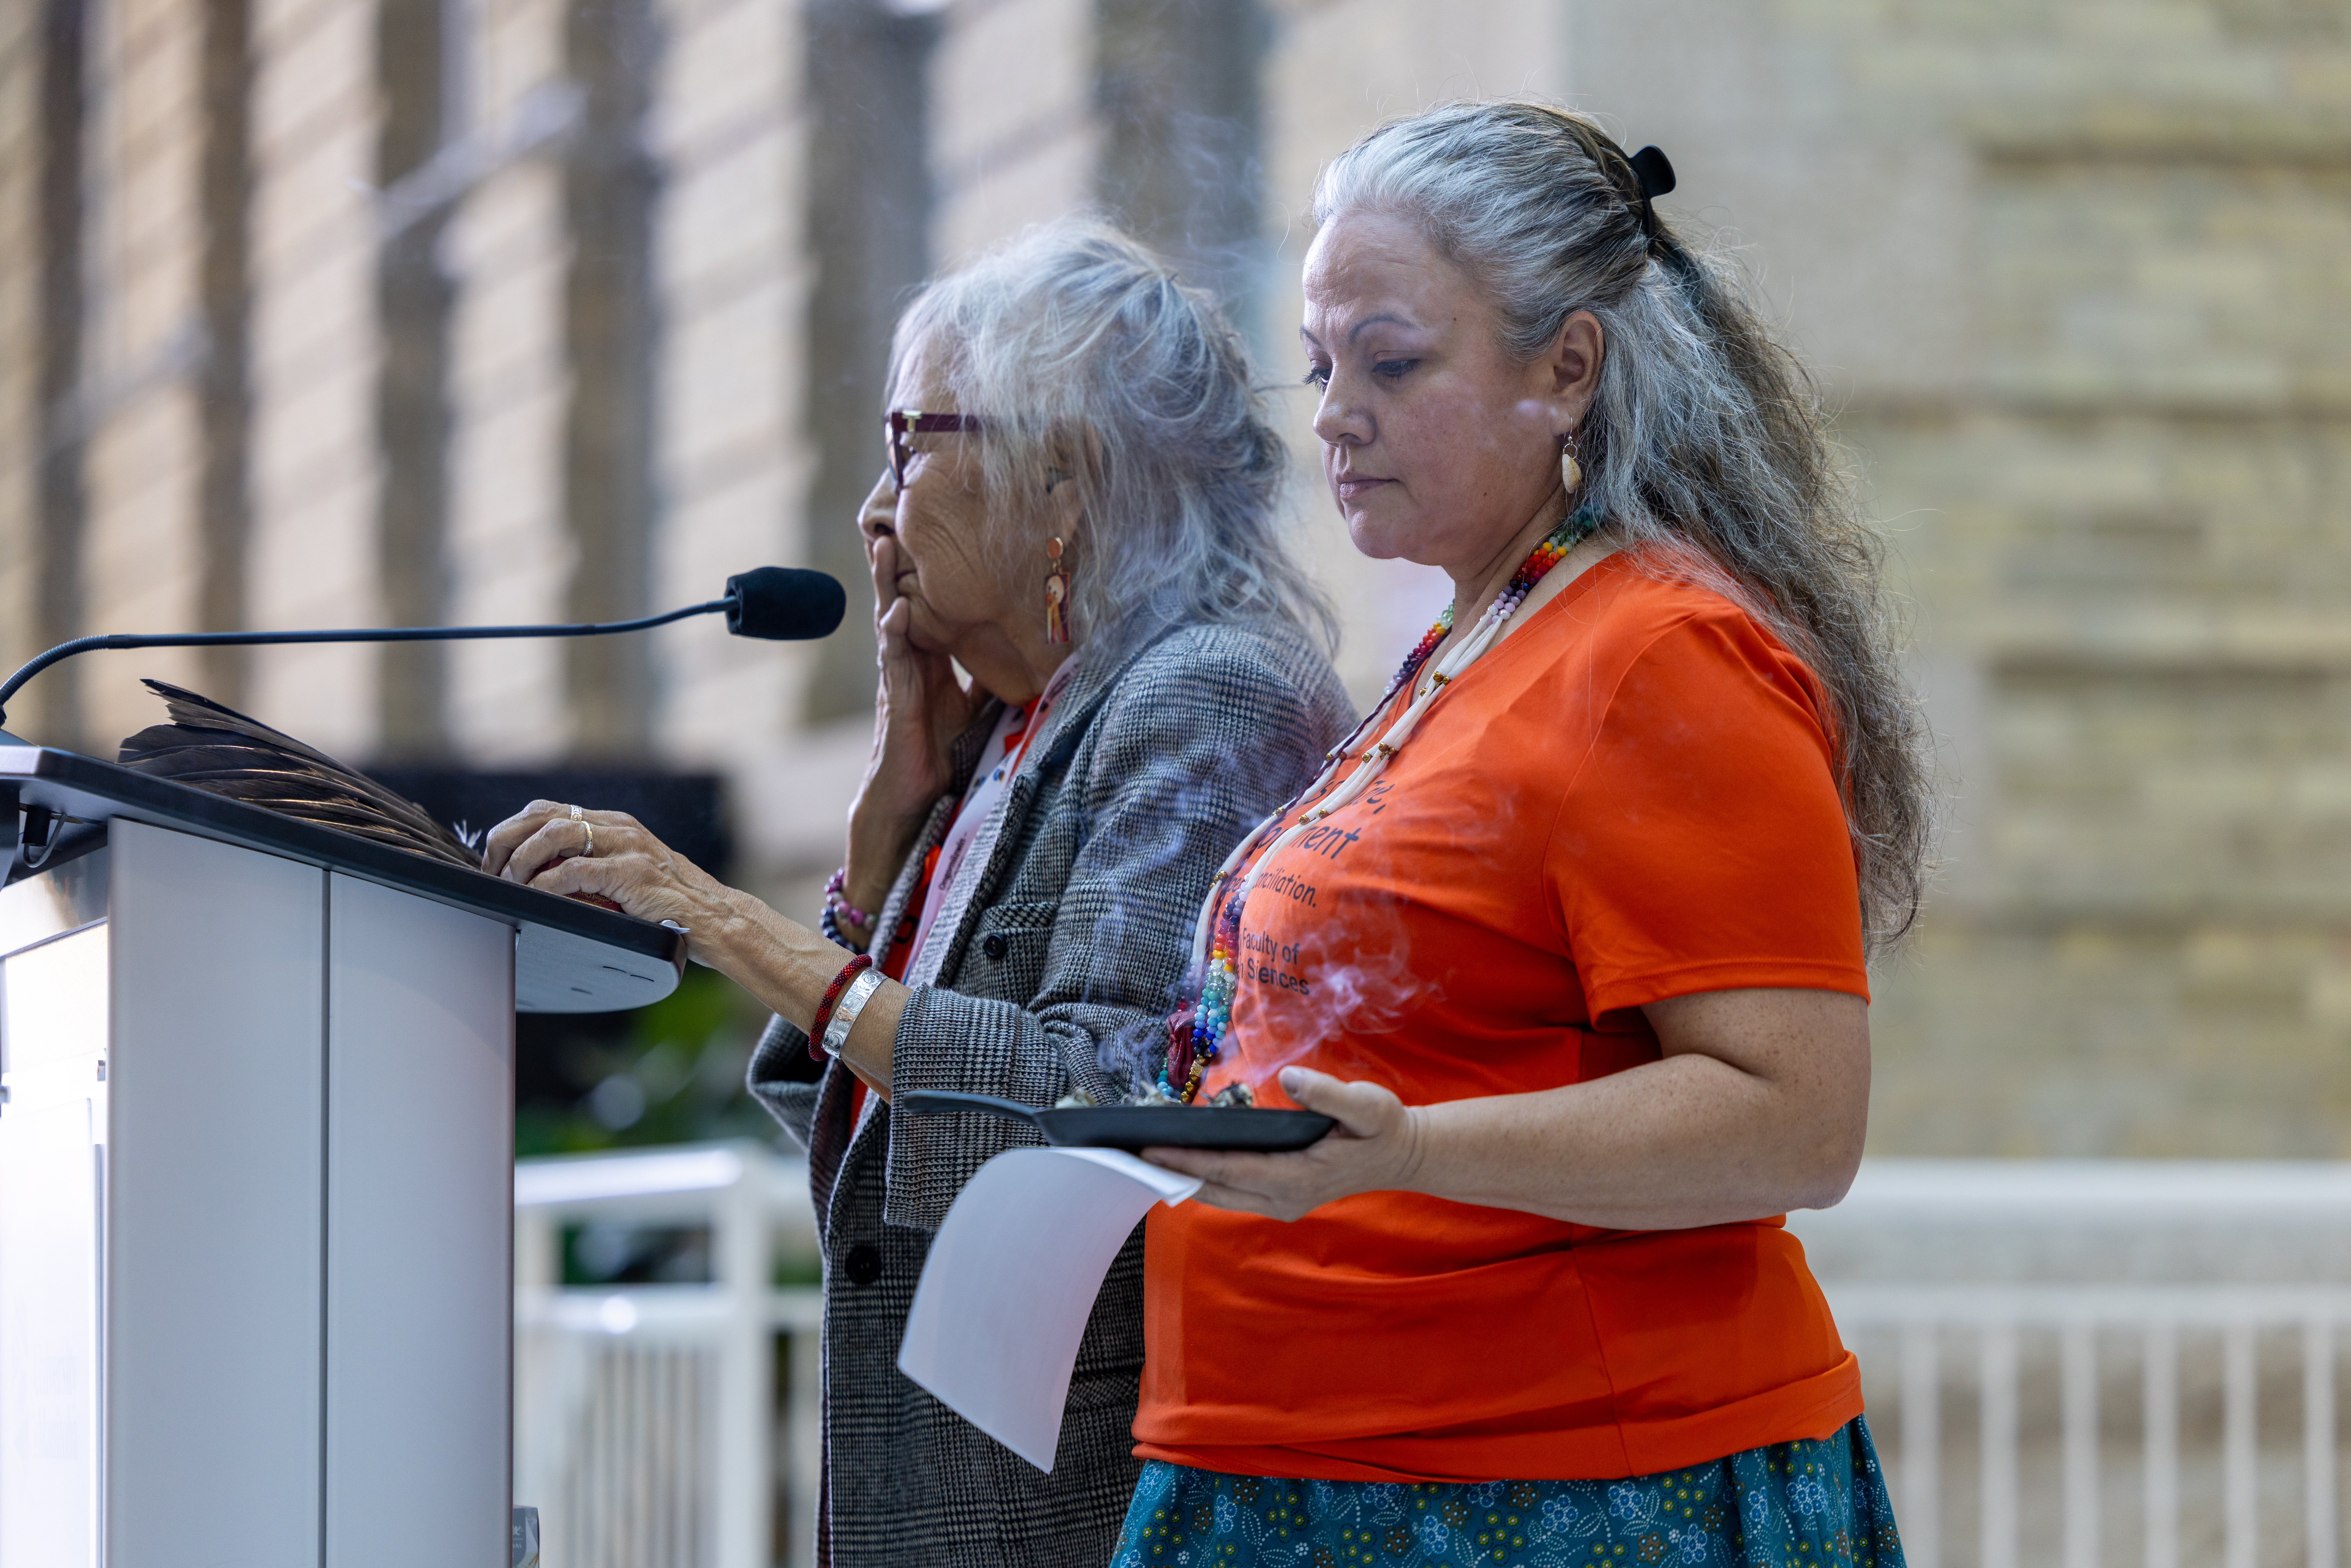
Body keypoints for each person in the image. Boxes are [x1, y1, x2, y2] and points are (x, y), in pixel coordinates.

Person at [1114, 102, 1932, 1568]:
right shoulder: (1480, 635)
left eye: (1393, 359)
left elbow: (1797, 1119)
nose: (1333, 414)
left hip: (1551, 1491)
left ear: (1568, 370)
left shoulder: (1659, 655)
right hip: (1331, 1463)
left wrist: (1408, 1151)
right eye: (1319, 365)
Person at [482, 221, 1353, 1568]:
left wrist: (723, 918)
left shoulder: (1202, 692)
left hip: (1072, 1506)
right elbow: (847, 1130)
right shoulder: (1007, 726)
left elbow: (1093, 1097)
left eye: (911, 443)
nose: (874, 511)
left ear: (1061, 480)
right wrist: (883, 842)